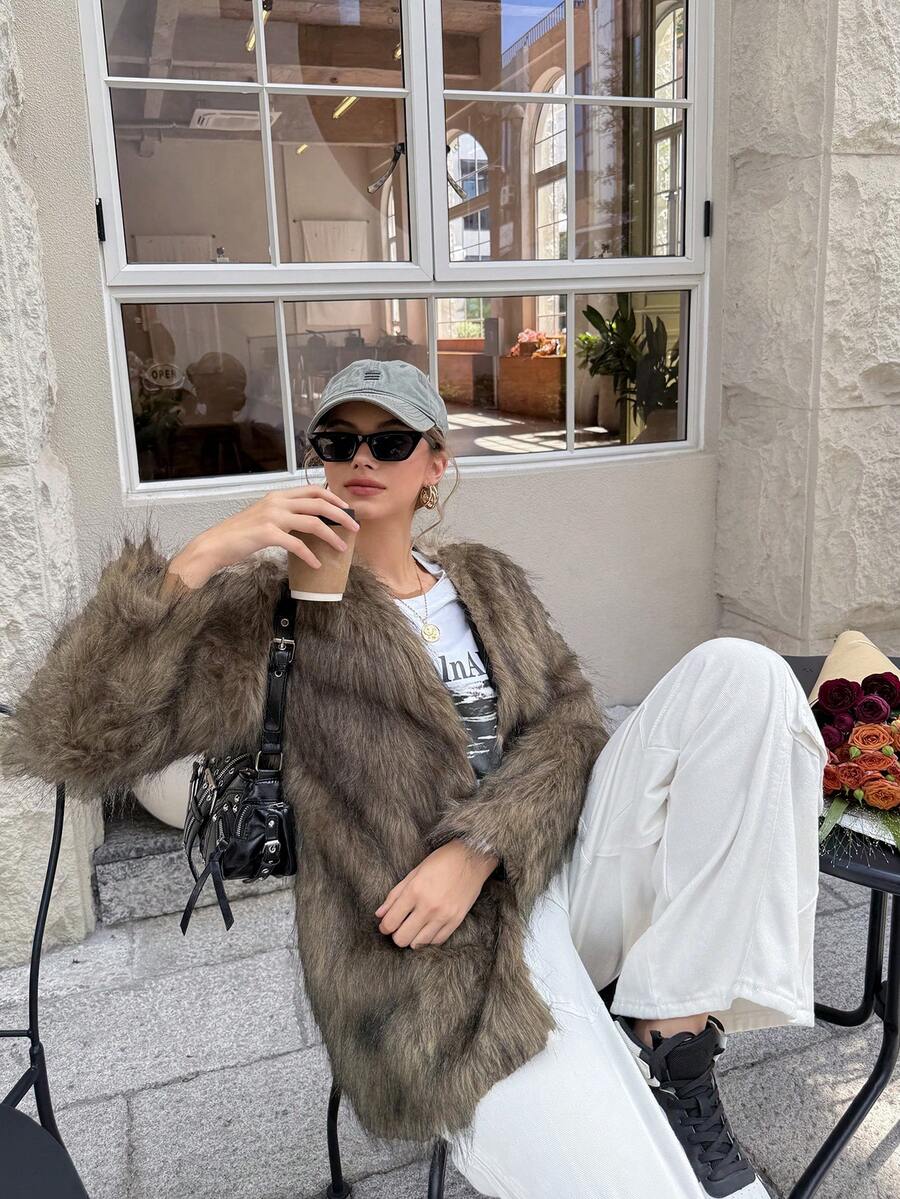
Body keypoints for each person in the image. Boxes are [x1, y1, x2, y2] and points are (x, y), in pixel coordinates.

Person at [0, 359, 828, 1199]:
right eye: (339, 440)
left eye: (390, 440)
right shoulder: (274, 612)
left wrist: (480, 845)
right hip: (427, 971)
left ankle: (673, 1043)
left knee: (746, 675)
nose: (362, 457)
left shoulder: (490, 582)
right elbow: (73, 738)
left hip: (556, 876)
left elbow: (575, 725)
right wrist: (210, 550)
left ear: (435, 461)